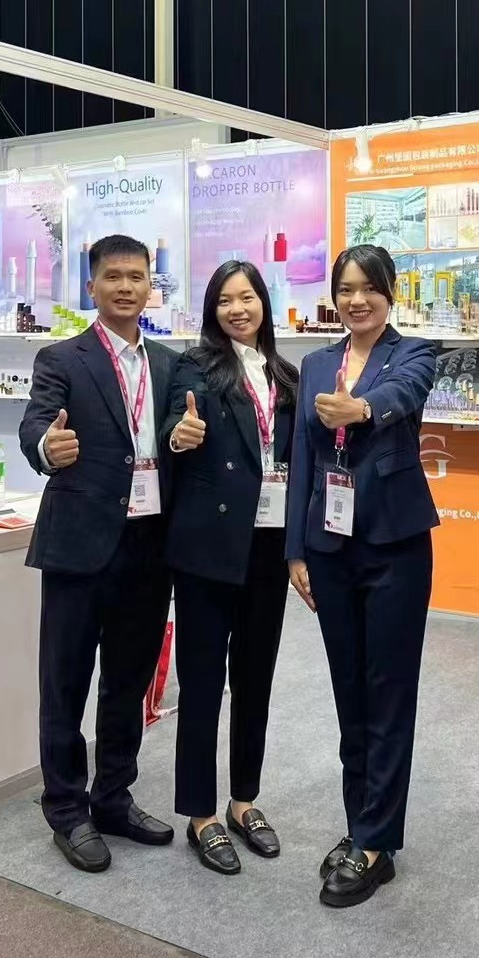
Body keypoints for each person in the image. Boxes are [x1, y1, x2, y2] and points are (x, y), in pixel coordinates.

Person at [286, 244, 438, 908]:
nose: (357, 300)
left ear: (389, 292)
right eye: (346, 289)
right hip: (329, 547)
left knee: (389, 691)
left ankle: (377, 842)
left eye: (369, 288)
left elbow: (402, 396)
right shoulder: (317, 363)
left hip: (395, 545)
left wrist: (362, 409)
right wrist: (295, 550)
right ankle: (360, 826)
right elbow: (301, 456)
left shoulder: (414, 353)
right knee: (349, 691)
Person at [20, 233, 176, 874]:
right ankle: (66, 808)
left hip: (148, 546)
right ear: (92, 286)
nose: (125, 287)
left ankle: (113, 797)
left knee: (127, 684)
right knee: (65, 684)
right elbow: (37, 423)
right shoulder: (62, 357)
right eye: (113, 276)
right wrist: (45, 448)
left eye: (136, 276)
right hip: (80, 545)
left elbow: (175, 433)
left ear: (150, 286)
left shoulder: (169, 363)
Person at [162, 260, 297, 875]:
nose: (237, 309)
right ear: (212, 310)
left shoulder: (286, 375)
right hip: (208, 547)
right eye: (224, 300)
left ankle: (244, 801)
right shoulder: (196, 367)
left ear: (263, 303)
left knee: (255, 679)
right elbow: (176, 420)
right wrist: (180, 434)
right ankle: (199, 814)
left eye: (247, 298)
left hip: (268, 546)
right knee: (201, 683)